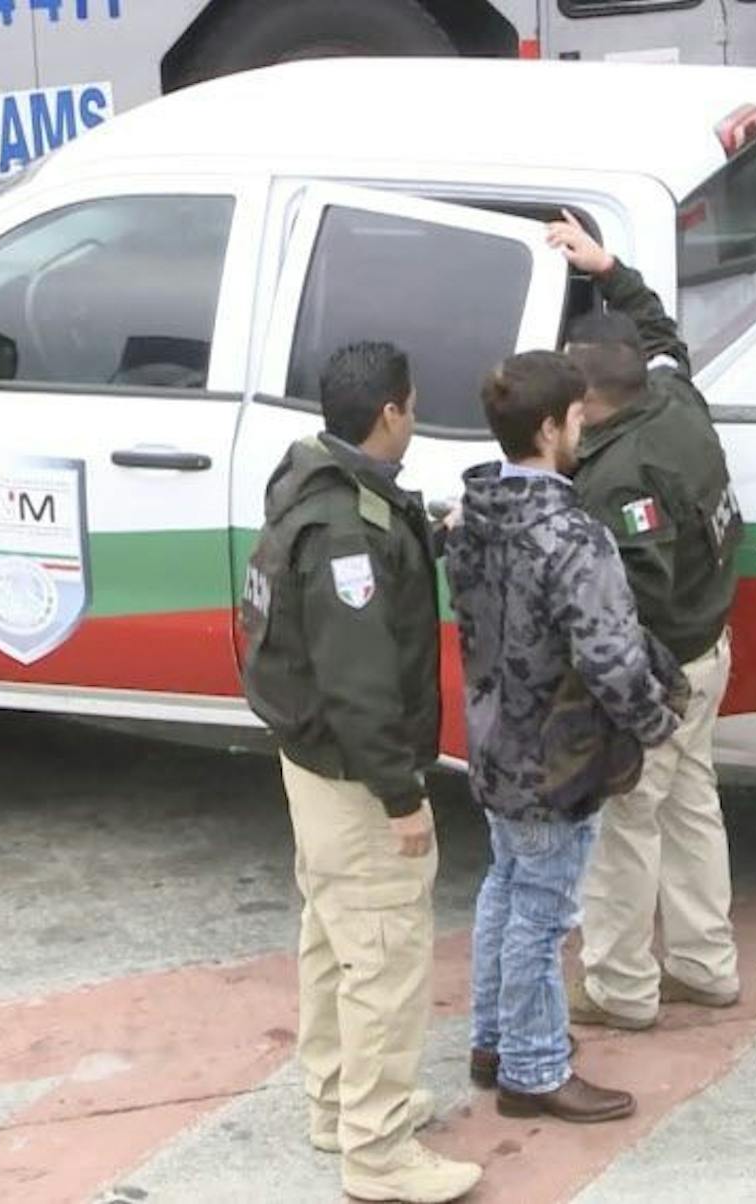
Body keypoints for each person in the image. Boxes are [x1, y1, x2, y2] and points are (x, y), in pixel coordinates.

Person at [239, 341, 481, 1204]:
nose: (414, 418)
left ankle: (340, 1102)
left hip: (310, 763)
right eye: (412, 406)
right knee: (384, 952)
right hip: (353, 770)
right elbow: (360, 681)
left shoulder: (313, 482)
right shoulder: (346, 530)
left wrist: (432, 535)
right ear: (390, 413)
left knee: (335, 933)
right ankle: (379, 1153)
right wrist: (403, 797)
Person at [444, 350, 685, 1123]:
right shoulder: (574, 537)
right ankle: (534, 1068)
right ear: (550, 427)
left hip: (491, 738)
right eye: (578, 416)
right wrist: (657, 723)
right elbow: (611, 656)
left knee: (506, 888)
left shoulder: (472, 514)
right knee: (543, 914)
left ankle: (495, 1042)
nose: (585, 426)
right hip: (557, 753)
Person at [546, 214, 746, 1032]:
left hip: (662, 671)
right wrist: (609, 270)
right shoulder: (672, 393)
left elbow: (633, 595)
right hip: (709, 651)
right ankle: (705, 964)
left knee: (625, 829)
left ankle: (620, 988)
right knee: (691, 807)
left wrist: (620, 697)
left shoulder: (617, 475)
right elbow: (661, 336)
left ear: (591, 404)